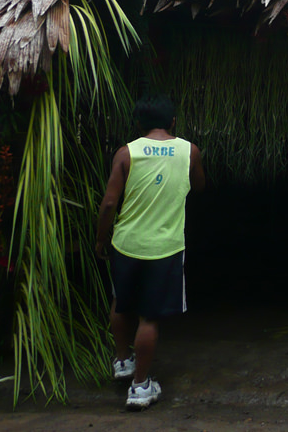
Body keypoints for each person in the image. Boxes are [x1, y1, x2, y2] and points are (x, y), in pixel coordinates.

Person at [95, 95, 205, 410]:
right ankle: (141, 386)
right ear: (172, 122)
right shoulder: (189, 151)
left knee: (121, 302)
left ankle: (122, 361)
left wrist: (101, 239)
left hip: (126, 244)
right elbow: (199, 186)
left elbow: (109, 203)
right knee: (149, 316)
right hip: (165, 248)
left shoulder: (126, 153)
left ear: (139, 124)